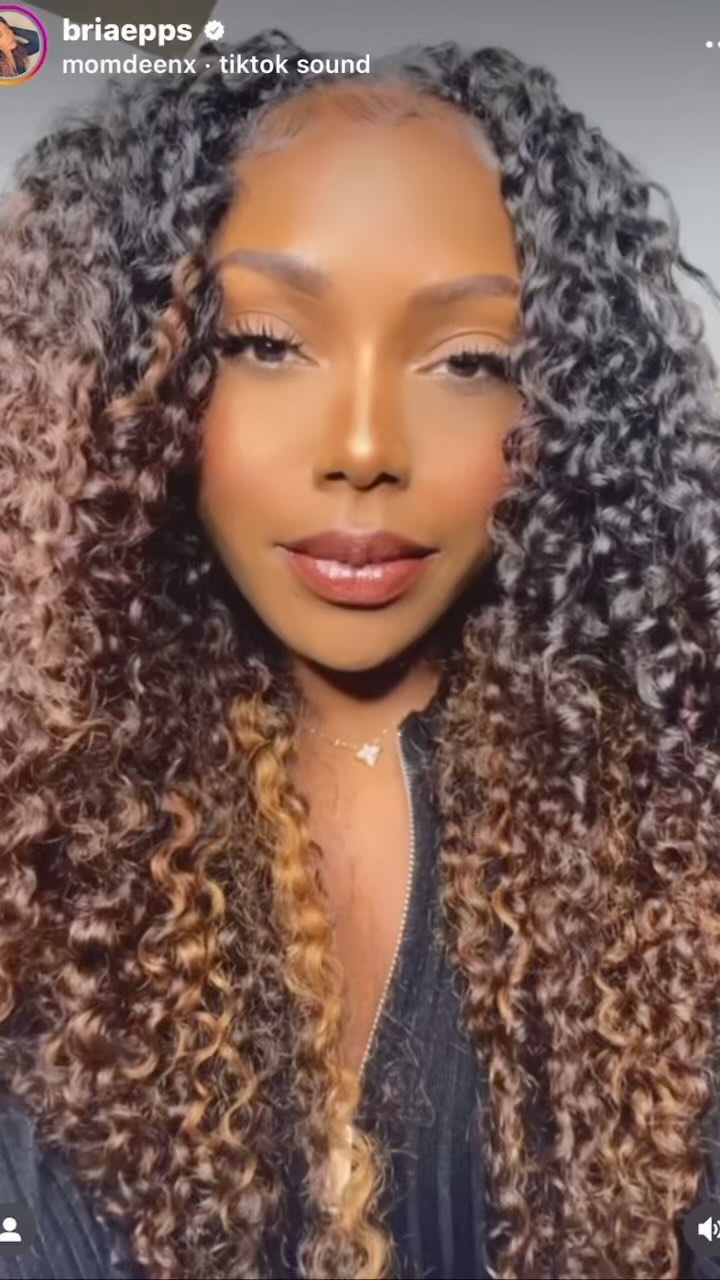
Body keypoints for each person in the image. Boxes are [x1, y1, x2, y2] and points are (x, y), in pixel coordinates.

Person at [0, 25, 719, 1280]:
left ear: (566, 410)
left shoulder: (675, 830)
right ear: (140, 372)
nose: (366, 446)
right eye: (267, 342)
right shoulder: (33, 809)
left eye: (470, 361)